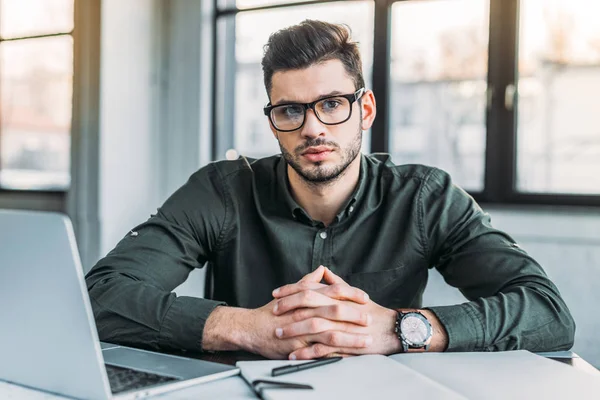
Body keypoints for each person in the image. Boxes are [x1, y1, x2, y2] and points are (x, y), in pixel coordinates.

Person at [86, 20, 575, 360]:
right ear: (274, 121)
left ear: (365, 110)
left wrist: (399, 328)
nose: (313, 127)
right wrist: (247, 328)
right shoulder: (222, 191)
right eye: (290, 110)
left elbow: (548, 314)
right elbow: (100, 296)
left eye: (333, 104)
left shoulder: (425, 197)